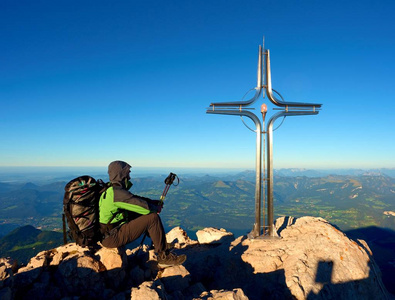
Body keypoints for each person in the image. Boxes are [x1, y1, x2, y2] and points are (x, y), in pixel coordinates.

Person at [99, 160, 186, 267]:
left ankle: (159, 243)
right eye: (128, 173)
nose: (129, 176)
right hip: (112, 237)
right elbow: (144, 208)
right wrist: (154, 208)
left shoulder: (111, 189)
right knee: (152, 218)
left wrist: (152, 202)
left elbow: (133, 199)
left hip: (108, 232)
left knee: (140, 214)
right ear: (121, 174)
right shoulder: (117, 194)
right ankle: (164, 257)